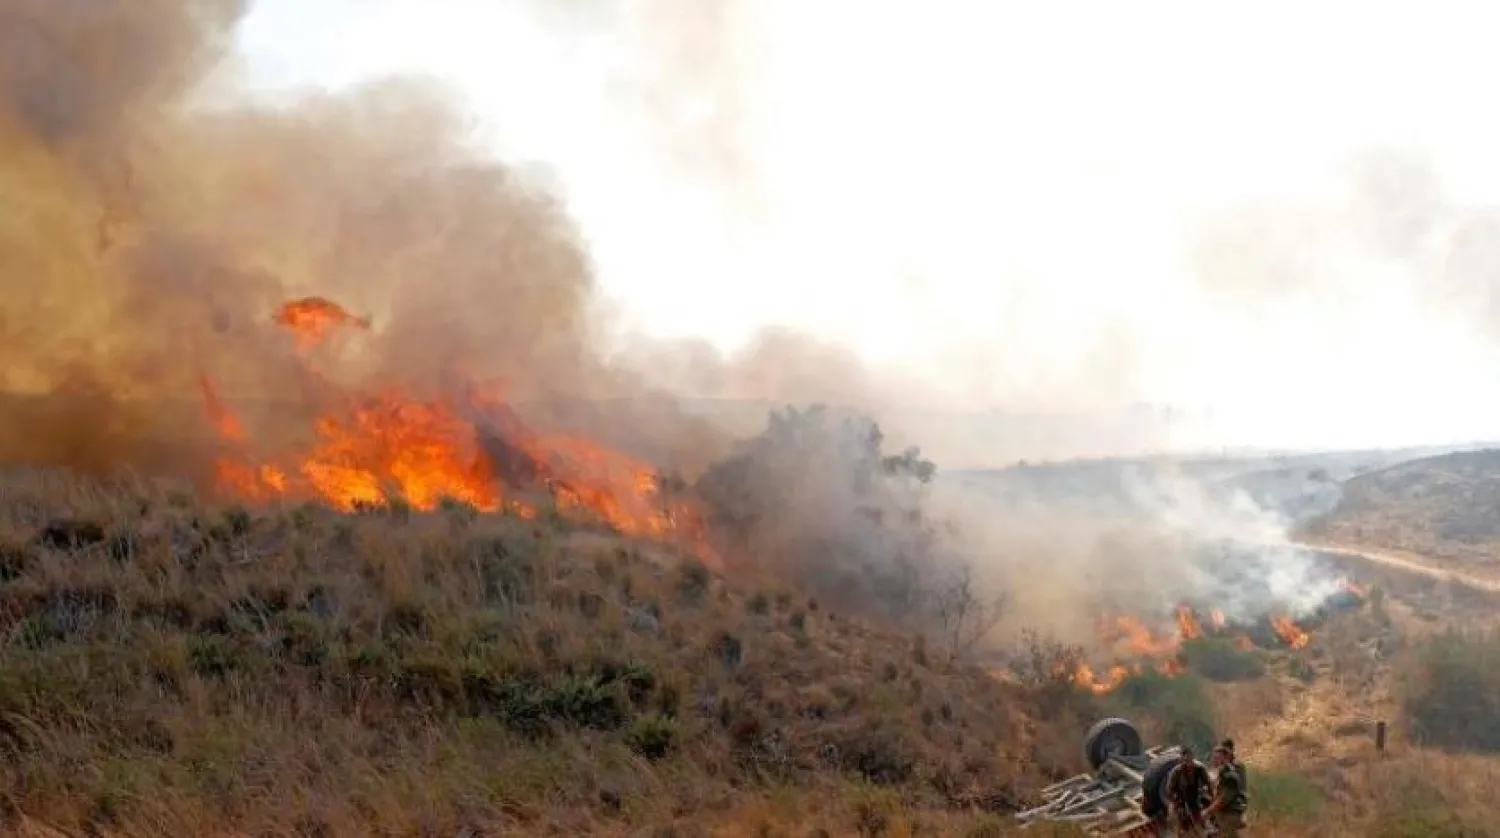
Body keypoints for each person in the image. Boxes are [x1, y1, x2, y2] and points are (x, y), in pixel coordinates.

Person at [1166, 746, 1212, 834]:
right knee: (1178, 818)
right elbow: (1169, 790)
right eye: (1185, 761)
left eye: (1189, 760)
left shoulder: (1200, 768)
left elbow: (1209, 783)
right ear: (1181, 760)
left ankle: (1207, 827)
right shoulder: (1176, 772)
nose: (1188, 763)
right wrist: (1176, 802)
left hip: (1196, 795)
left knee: (1204, 813)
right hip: (1180, 798)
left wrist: (1211, 796)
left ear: (1192, 757)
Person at [1206, 745, 1249, 837]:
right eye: (1214, 757)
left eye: (1217, 757)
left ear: (1225, 758)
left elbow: (1223, 799)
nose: (1214, 760)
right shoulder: (1221, 774)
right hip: (1224, 814)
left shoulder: (1229, 776)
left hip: (1230, 814)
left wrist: (1208, 811)